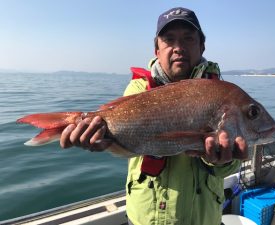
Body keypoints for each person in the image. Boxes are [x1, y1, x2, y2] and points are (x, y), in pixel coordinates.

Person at [60, 7, 248, 225]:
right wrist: (100, 140)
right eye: (169, 40)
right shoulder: (139, 89)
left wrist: (222, 160)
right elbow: (122, 138)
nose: (179, 48)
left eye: (188, 39)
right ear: (157, 50)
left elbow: (231, 166)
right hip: (148, 219)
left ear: (202, 46)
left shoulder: (220, 92)